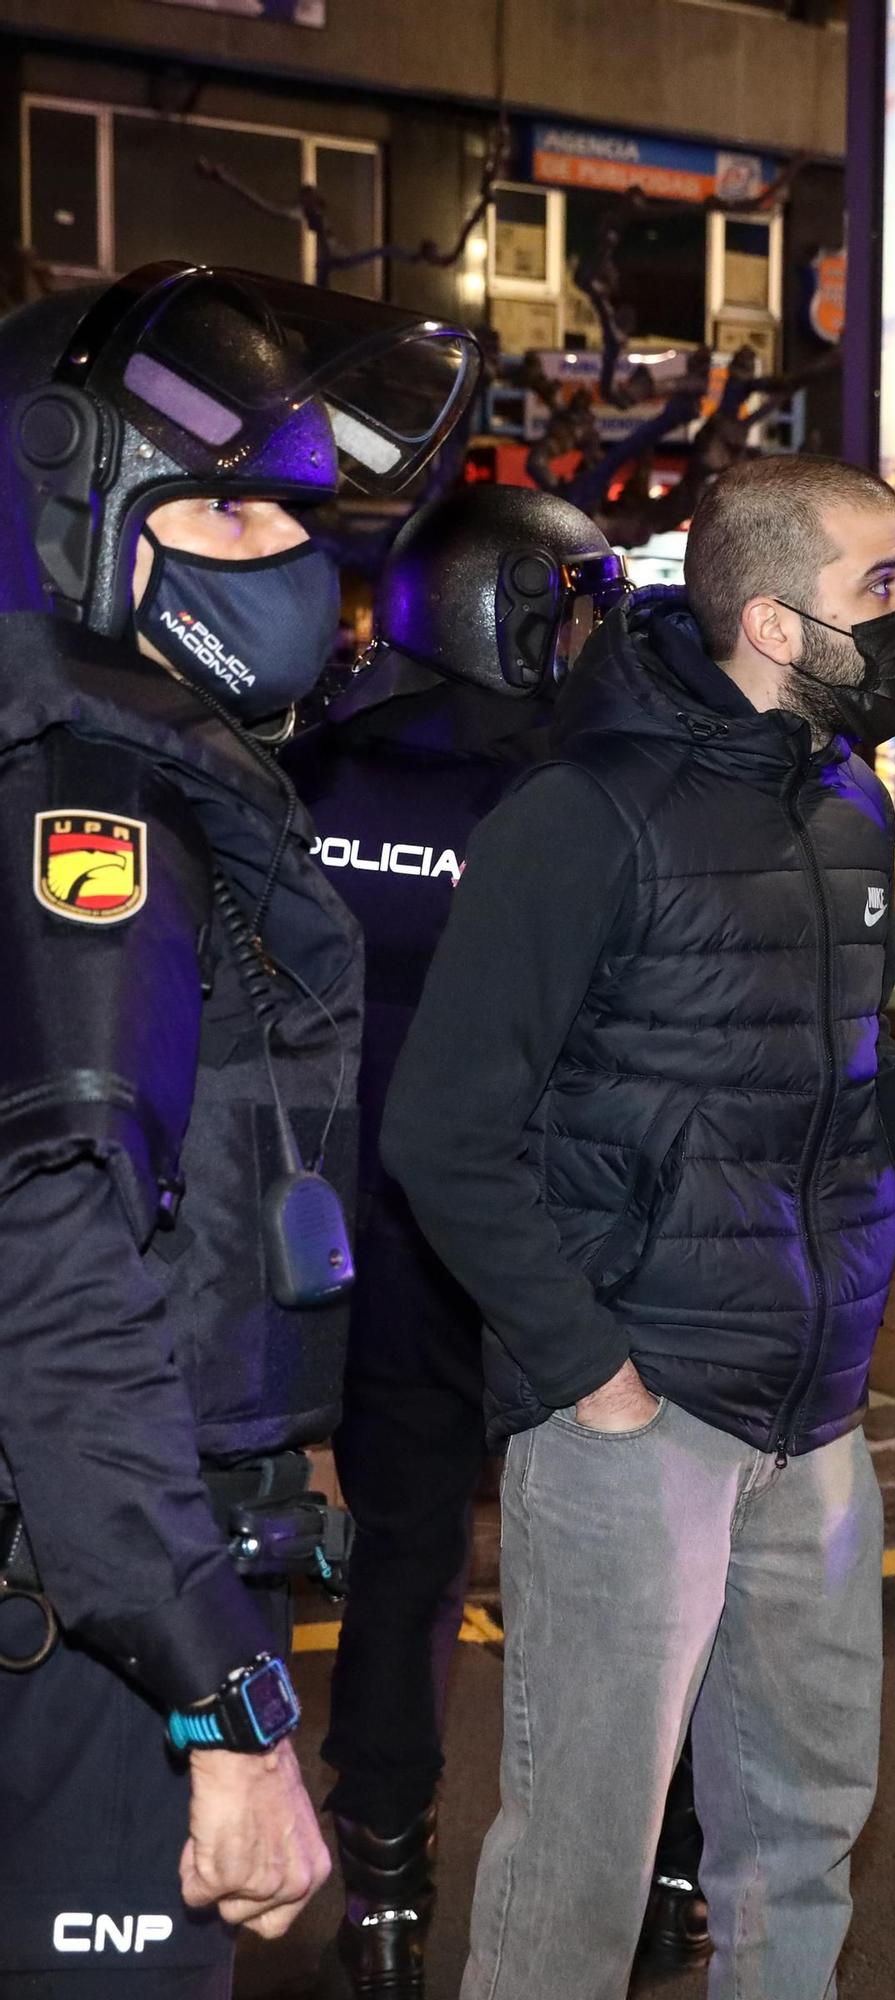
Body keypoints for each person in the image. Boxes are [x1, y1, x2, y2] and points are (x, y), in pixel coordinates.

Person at [381, 452, 895, 2000]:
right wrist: (592, 1376)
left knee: (801, 1833)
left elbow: (763, 1100)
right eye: (881, 584)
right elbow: (444, 1131)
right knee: (583, 1870)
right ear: (777, 626)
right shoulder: (584, 811)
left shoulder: (849, 797)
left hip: (819, 1414)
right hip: (638, 1416)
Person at [0, 263, 475, 1999]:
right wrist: (227, 1707)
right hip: (85, 1627)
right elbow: (57, 1291)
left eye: (292, 519)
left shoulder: (119, 769)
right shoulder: (86, 810)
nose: (291, 561)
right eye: (223, 512)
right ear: (67, 508)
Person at [284, 486, 709, 1994]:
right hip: (558, 1250)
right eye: (582, 597)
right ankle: (664, 1877)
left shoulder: (306, 768)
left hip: (367, 1251)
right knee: (633, 1578)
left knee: (404, 1567)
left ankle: (384, 1895)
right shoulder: (582, 789)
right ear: (519, 609)